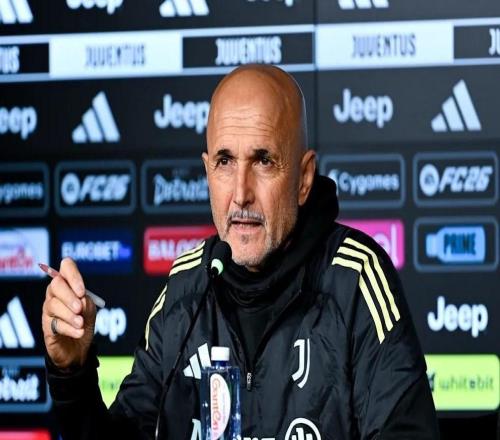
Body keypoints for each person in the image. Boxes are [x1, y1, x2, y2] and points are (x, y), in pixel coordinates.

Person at [42, 64, 439, 439]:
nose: (241, 193)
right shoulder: (186, 287)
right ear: (207, 171)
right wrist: (71, 372)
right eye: (225, 162)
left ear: (303, 179)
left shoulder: (355, 278)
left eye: (263, 161)